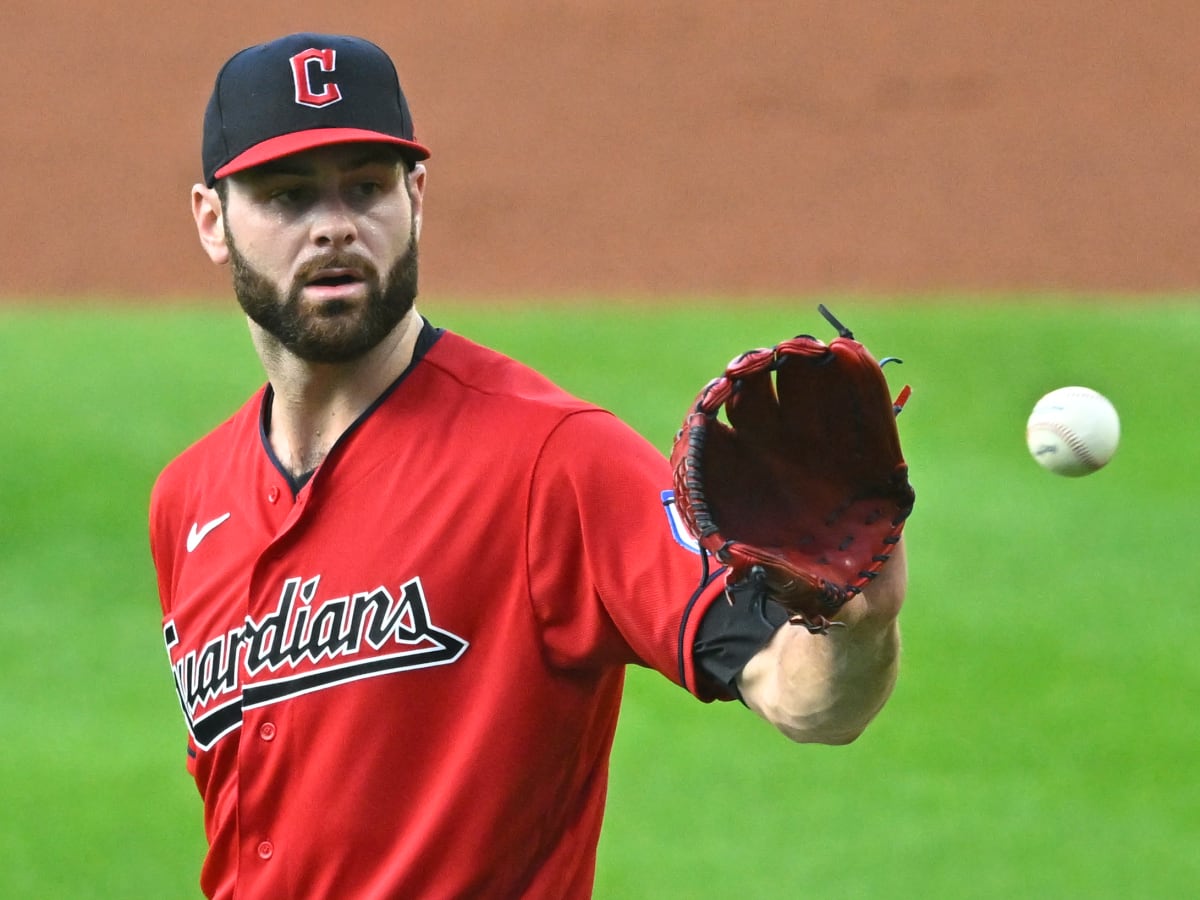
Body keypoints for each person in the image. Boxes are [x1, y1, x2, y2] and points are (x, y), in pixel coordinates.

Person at [149, 32, 908, 899]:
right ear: (213, 220)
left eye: (366, 187)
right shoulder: (189, 498)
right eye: (286, 197)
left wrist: (863, 622)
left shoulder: (552, 459)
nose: (333, 227)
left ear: (416, 197)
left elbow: (807, 700)